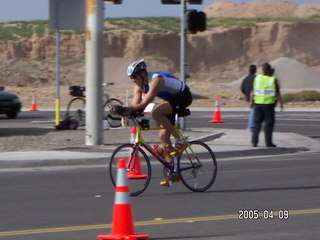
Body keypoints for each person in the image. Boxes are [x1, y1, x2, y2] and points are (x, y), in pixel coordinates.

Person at [113, 59, 193, 159]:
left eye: (134, 77)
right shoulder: (139, 86)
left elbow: (144, 103)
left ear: (143, 74)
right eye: (131, 78)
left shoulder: (156, 80)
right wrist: (123, 111)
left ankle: (180, 140)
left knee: (156, 112)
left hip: (183, 96)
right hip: (171, 100)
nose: (133, 80)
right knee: (163, 137)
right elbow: (135, 105)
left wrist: (126, 109)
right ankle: (172, 171)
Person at [250, 62, 284, 147]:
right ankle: (268, 142)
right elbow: (278, 93)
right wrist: (281, 103)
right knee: (269, 124)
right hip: (269, 105)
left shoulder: (257, 78)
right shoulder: (272, 79)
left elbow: (252, 91)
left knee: (256, 123)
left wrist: (251, 102)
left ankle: (254, 142)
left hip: (257, 104)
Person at [241, 64, 257, 131]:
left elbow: (242, 89)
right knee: (253, 111)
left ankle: (252, 126)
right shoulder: (257, 78)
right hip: (255, 97)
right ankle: (251, 127)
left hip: (248, 97)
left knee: (254, 111)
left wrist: (246, 95)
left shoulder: (245, 79)